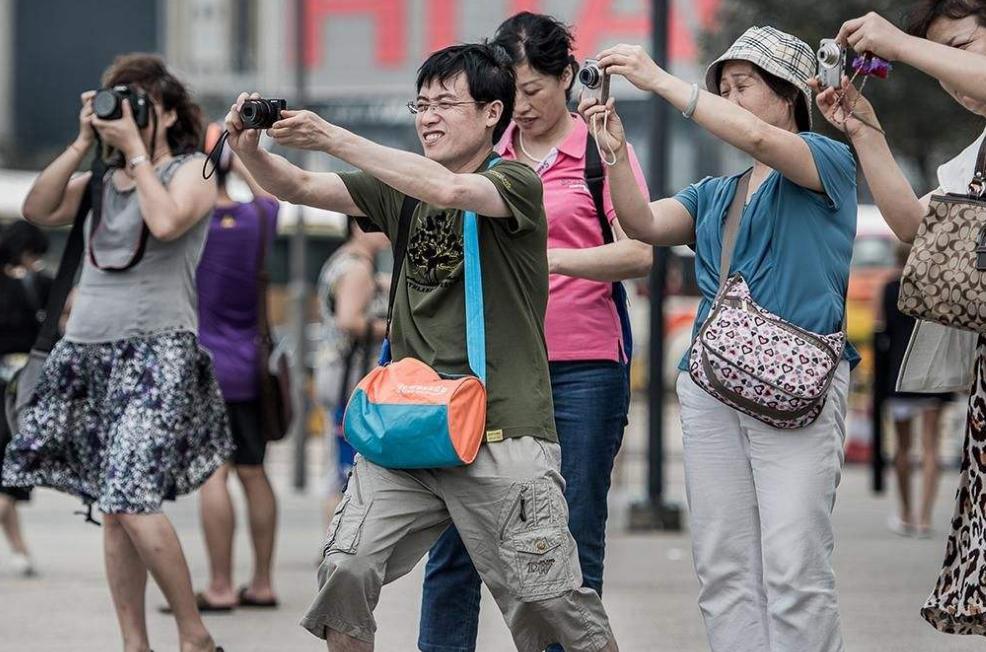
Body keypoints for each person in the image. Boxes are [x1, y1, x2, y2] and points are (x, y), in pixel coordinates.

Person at [225, 42, 620, 651]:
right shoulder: (397, 186)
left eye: (444, 104)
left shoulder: (514, 180)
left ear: (493, 114)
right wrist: (249, 146)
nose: (427, 116)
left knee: (550, 603)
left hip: (501, 427)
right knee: (345, 572)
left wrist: (333, 135)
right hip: (408, 424)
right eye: (421, 104)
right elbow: (298, 184)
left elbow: (452, 192)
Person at [582, 26, 859, 652]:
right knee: (723, 565)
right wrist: (615, 154)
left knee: (794, 567)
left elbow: (762, 138)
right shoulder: (716, 194)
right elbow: (645, 223)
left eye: (743, 86)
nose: (731, 99)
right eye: (723, 88)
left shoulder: (826, 159)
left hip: (802, 386)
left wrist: (658, 81)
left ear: (790, 93)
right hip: (712, 387)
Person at [417, 13, 651, 652]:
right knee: (456, 539)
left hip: (583, 371)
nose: (519, 107)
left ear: (568, 78)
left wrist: (548, 257)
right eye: (508, 94)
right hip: (485, 372)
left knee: (569, 542)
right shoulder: (484, 158)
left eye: (533, 91)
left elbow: (639, 252)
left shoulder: (601, 152)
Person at [1, 53, 228, 652]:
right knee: (112, 507)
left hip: (158, 355)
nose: (123, 115)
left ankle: (193, 633)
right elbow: (36, 209)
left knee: (129, 496)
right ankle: (135, 642)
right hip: (86, 357)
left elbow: (169, 219)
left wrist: (135, 151)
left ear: (170, 110)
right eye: (115, 103)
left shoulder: (194, 171)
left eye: (138, 105)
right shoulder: (101, 181)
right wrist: (82, 145)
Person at [814, 2, 986, 635]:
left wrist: (900, 45)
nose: (953, 77)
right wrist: (864, 130)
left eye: (964, 48)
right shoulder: (978, 156)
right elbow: (916, 227)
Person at [193, 130, 280, 611]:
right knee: (254, 471)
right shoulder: (257, 219)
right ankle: (263, 582)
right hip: (250, 365)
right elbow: (268, 192)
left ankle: (221, 585)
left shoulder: (191, 224)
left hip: (203, 367)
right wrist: (238, 150)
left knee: (214, 475)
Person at [313, 219, 389, 521]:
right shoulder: (357, 268)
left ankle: (333, 542)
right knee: (346, 470)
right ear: (356, 226)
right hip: (350, 376)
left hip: (334, 370)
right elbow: (349, 320)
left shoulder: (343, 260)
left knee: (338, 466)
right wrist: (393, 329)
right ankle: (336, 542)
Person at [877, 244, 952, 539]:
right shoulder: (936, 286)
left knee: (903, 448)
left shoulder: (888, 289)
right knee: (932, 447)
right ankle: (924, 518)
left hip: (900, 376)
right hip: (933, 373)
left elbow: (881, 331)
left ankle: (906, 514)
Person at [0, 221, 51, 577]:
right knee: (11, 470)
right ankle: (19, 549)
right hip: (17, 390)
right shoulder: (37, 285)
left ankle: (20, 549)